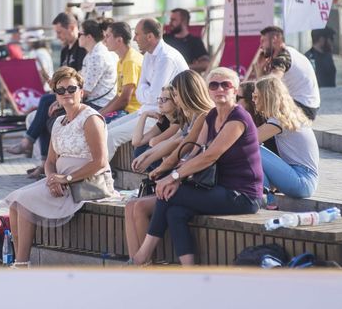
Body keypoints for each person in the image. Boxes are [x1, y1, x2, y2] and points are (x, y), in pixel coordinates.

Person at [130, 67, 263, 266]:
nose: (219, 89)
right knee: (175, 212)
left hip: (243, 196)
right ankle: (189, 270)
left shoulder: (238, 118)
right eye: (214, 85)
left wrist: (173, 177)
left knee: (169, 194)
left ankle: (142, 256)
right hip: (218, 188)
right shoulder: (211, 116)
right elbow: (196, 151)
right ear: (208, 90)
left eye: (225, 85)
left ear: (235, 90)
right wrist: (178, 178)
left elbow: (210, 155)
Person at [5, 67, 116, 267]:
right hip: (61, 180)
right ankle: (19, 261)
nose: (66, 93)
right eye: (61, 90)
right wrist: (52, 178)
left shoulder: (91, 119)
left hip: (87, 183)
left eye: (71, 89)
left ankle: (21, 264)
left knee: (23, 201)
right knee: (14, 202)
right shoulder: (58, 122)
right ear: (55, 95)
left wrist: (66, 179)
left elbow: (100, 161)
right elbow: (49, 161)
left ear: (81, 92)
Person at [125, 70, 213, 258]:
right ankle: (135, 264)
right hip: (183, 176)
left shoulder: (204, 115)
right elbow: (175, 142)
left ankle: (143, 263)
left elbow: (182, 145)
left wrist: (160, 169)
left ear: (188, 93)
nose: (176, 99)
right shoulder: (192, 117)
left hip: (195, 181)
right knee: (130, 205)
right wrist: (149, 158)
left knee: (139, 207)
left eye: (176, 95)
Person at [5, 13, 87, 179]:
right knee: (41, 114)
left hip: (76, 97)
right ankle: (43, 162)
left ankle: (29, 144)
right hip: (64, 95)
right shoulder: (65, 50)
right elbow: (62, 80)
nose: (57, 36)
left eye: (59, 32)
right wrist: (54, 89)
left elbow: (79, 83)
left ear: (72, 28)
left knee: (44, 105)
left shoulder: (82, 48)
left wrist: (58, 98)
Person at [106, 18, 188, 161]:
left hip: (164, 115)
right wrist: (147, 92)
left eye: (137, 34)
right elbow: (142, 93)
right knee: (107, 129)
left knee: (112, 136)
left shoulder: (166, 57)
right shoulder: (149, 55)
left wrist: (146, 91)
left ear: (150, 36)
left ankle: (100, 171)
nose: (134, 39)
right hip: (147, 110)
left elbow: (155, 97)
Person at [254, 76, 319, 205]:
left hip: (302, 180)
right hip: (304, 179)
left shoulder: (279, 120)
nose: (253, 100)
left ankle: (263, 197)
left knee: (251, 149)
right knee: (253, 152)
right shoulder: (288, 116)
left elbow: (248, 140)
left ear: (266, 97)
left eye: (256, 96)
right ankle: (266, 197)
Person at [255, 26, 320, 121]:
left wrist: (259, 71)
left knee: (257, 104)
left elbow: (270, 86)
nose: (261, 46)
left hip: (303, 108)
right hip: (307, 106)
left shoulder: (283, 57)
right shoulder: (288, 52)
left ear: (274, 39)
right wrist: (261, 69)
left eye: (263, 41)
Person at [99, 22, 143, 123]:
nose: (104, 40)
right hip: (126, 110)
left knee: (97, 125)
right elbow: (119, 95)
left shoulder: (130, 61)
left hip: (133, 112)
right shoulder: (122, 60)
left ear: (119, 40)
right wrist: (99, 113)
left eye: (108, 36)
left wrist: (100, 115)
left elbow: (124, 100)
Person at [78, 19, 117, 110]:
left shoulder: (97, 56)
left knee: (54, 107)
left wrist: (63, 98)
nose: (78, 37)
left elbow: (86, 90)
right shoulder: (92, 53)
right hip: (94, 102)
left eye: (79, 34)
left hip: (99, 104)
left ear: (89, 37)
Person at [163, 8, 209, 73]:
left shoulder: (194, 41)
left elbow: (205, 64)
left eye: (173, 20)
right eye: (170, 20)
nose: (170, 23)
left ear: (183, 21)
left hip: (184, 76)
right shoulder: (164, 39)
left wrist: (183, 67)